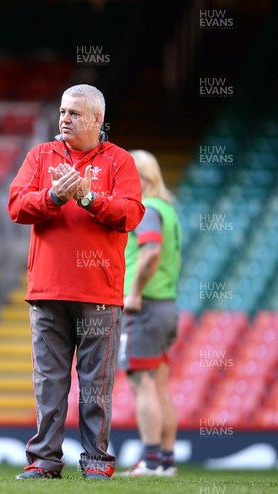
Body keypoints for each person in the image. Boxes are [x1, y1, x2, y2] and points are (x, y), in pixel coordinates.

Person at [8, 84, 145, 480]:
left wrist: (88, 198)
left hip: (99, 292)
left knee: (95, 387)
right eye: (63, 112)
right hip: (48, 290)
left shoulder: (120, 161)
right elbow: (16, 205)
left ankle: (97, 463)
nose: (64, 119)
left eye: (74, 113)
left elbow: (131, 214)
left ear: (97, 121)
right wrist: (53, 196)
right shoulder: (40, 155)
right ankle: (43, 462)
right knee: (48, 384)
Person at [117, 149, 182, 477]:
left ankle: (151, 460)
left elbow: (151, 251)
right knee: (159, 386)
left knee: (142, 383)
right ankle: (166, 460)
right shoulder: (167, 210)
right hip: (167, 306)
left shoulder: (145, 211)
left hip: (145, 307)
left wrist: (134, 292)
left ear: (139, 176)